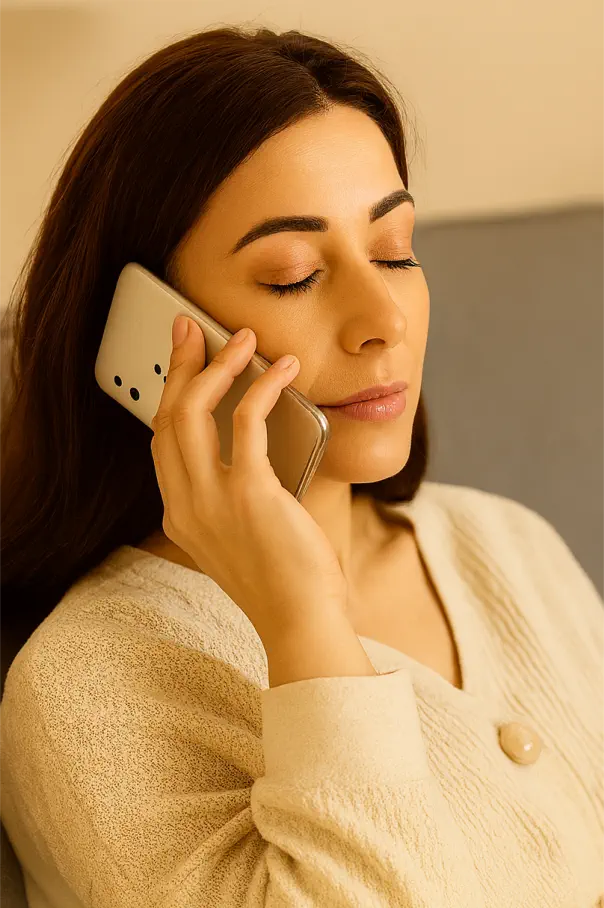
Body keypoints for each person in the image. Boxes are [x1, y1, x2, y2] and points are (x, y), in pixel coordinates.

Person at [0, 25, 603, 908]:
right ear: (147, 328)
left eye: (396, 252)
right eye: (292, 276)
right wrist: (303, 625)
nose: (382, 319)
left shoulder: (504, 543)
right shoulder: (90, 684)